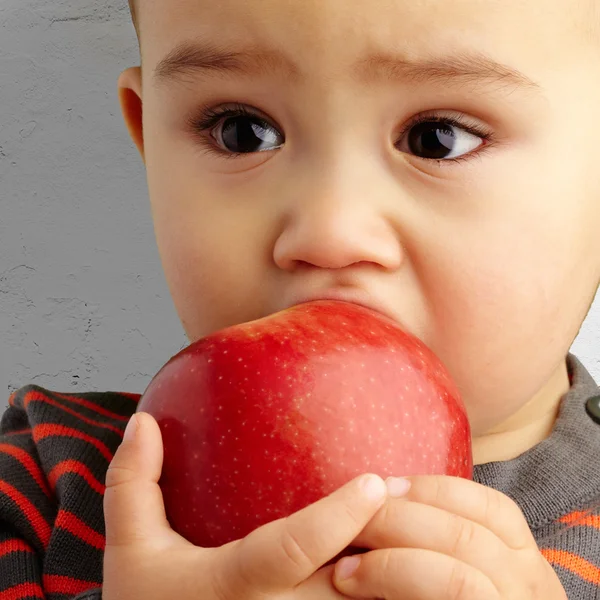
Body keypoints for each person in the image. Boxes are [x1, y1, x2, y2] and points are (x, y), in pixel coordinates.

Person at [2, 0, 600, 598]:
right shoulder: (43, 483)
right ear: (148, 138)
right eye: (242, 131)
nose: (328, 233)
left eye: (437, 139)